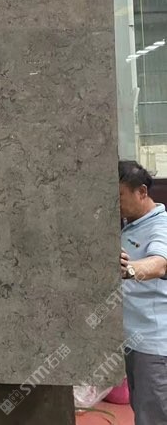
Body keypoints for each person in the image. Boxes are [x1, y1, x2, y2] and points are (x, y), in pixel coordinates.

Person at [119, 160, 167, 425]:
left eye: (120, 196)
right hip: (134, 341)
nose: (116, 204)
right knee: (143, 411)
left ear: (142, 192)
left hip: (154, 346)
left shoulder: (161, 225)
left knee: (154, 416)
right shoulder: (131, 224)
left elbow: (159, 264)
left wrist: (128, 270)